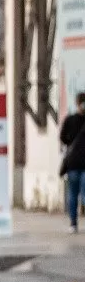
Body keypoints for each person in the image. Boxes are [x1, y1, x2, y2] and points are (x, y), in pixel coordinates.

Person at [61, 92, 85, 234]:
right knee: (73, 193)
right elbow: (63, 137)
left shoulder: (69, 120)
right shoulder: (71, 120)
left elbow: (63, 137)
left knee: (75, 193)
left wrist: (70, 142)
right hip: (75, 163)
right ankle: (73, 222)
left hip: (74, 162)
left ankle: (73, 223)